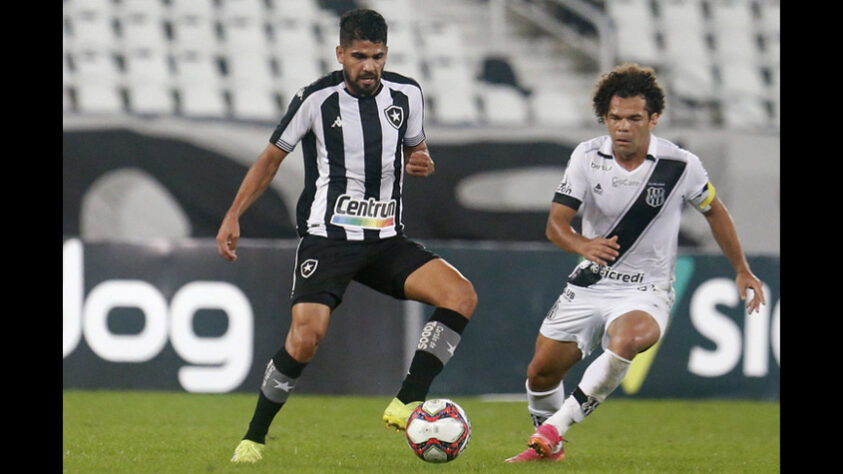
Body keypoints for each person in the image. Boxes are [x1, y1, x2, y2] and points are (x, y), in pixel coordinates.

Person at [216, 9, 477, 464]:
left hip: (386, 240)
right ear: (340, 54)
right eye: (359, 56)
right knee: (305, 338)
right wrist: (234, 215)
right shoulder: (316, 99)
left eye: (376, 56)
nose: (368, 67)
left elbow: (418, 151)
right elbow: (270, 160)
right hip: (328, 240)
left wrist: (424, 161)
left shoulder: (407, 94)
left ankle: (406, 401)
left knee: (461, 295)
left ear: (386, 54)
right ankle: (254, 438)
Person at [505, 63, 766, 463]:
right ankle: (548, 449)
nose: (622, 127)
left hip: (646, 290)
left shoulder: (680, 165)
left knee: (625, 340)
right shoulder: (587, 157)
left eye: (633, 119)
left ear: (653, 119)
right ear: (605, 118)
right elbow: (555, 226)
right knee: (540, 373)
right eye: (614, 118)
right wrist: (583, 245)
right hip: (590, 282)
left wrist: (741, 268)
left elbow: (715, 212)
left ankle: (555, 428)